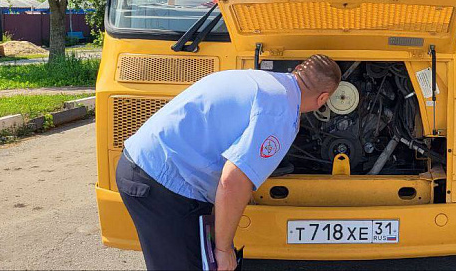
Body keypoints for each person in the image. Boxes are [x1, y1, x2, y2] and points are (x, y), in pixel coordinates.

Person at [116, 55, 342, 270]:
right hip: (161, 182)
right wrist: (223, 249)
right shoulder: (280, 112)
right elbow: (233, 180)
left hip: (151, 168)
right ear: (323, 98)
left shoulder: (263, 82)